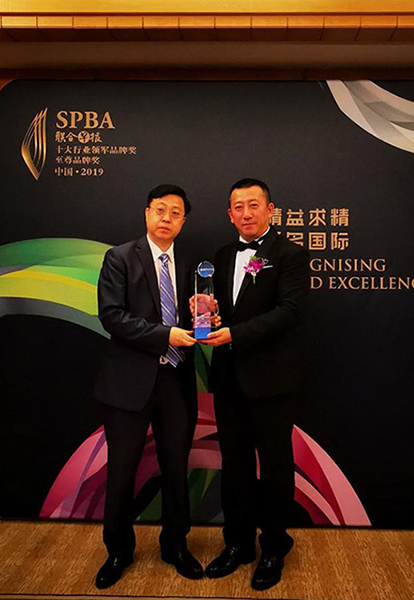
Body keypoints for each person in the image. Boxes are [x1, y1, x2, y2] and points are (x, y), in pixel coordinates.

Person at [94, 184, 203, 589]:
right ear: (146, 213)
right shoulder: (120, 257)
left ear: (183, 221)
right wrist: (165, 336)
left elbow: (194, 320)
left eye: (175, 213)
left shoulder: (190, 263)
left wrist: (203, 316)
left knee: (176, 468)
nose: (166, 218)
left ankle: (176, 545)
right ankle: (118, 551)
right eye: (160, 209)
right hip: (128, 384)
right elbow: (112, 316)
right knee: (122, 471)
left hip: (176, 381)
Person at [203, 178, 309, 591]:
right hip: (229, 379)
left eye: (253, 205)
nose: (246, 213)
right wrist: (210, 315)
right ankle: (238, 543)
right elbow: (227, 312)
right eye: (238, 207)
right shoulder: (222, 255)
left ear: (270, 210)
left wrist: (235, 333)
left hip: (272, 381)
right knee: (235, 465)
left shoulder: (290, 254)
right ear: (229, 214)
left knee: (276, 466)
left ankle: (274, 547)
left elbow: (290, 311)